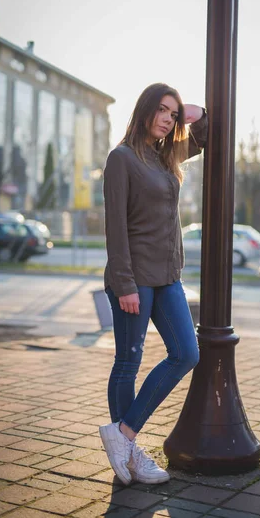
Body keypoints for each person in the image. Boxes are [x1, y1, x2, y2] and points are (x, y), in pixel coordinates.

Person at [99, 83, 208, 486]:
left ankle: (122, 437)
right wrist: (125, 284)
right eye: (162, 110)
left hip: (167, 278)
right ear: (145, 110)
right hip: (134, 279)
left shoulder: (166, 158)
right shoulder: (121, 159)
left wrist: (189, 110)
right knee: (128, 362)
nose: (168, 119)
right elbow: (116, 229)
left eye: (173, 114)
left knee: (186, 352)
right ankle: (129, 457)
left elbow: (206, 130)